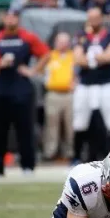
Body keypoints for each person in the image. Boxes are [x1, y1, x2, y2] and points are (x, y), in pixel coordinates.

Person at [0, 8, 50, 175]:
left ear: (18, 19)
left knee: (25, 128)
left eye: (14, 17)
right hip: (0, 88)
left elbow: (45, 53)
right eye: (8, 17)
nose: (10, 20)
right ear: (4, 19)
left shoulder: (27, 36)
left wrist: (33, 70)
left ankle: (28, 166)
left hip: (22, 89)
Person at [72, 7, 110, 164]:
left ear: (101, 18)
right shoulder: (81, 35)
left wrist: (90, 58)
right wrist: (98, 58)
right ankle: (77, 158)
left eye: (96, 17)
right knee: (80, 121)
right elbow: (78, 59)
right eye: (90, 17)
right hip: (85, 84)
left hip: (106, 83)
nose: (93, 21)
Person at [43, 32, 75, 161]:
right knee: (51, 125)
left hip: (70, 94)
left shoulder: (73, 56)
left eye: (65, 41)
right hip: (53, 94)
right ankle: (50, 152)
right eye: (60, 41)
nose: (62, 44)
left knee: (70, 125)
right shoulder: (49, 56)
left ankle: (70, 152)